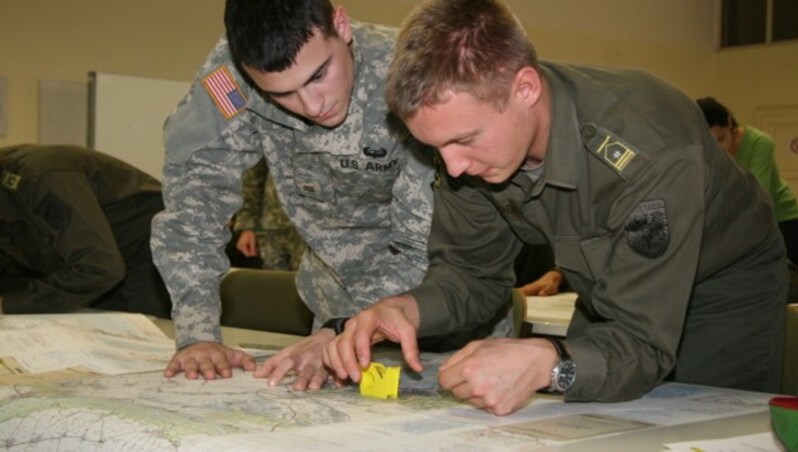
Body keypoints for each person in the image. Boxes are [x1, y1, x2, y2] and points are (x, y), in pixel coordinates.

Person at [324, 0, 787, 416]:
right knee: (590, 422)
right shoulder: (470, 152)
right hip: (610, 288)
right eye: (436, 148)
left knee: (706, 427)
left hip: (721, 287)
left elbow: (642, 340)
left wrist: (550, 361)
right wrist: (408, 308)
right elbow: (472, 274)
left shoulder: (646, 147)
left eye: (464, 140)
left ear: (525, 88)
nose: (453, 167)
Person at [151, 0, 513, 386]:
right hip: (332, 319)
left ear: (341, 25)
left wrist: (341, 331)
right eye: (282, 94)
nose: (311, 105)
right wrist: (198, 334)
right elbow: (193, 208)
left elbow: (424, 240)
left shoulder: (412, 74)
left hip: (444, 316)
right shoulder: (232, 83)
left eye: (319, 74)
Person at [0, 144, 171, 318]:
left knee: (132, 334)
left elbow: (99, 267)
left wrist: (9, 304)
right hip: (104, 264)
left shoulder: (43, 179)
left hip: (146, 253)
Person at [697, 96, 798, 266]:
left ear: (729, 123)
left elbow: (758, 195)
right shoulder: (708, 153)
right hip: (743, 220)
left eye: (720, 139)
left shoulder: (760, 142)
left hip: (783, 219)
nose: (717, 150)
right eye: (710, 144)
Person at [233, 158, 306, 271]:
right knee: (273, 284)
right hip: (274, 225)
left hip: (316, 228)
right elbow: (253, 177)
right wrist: (247, 226)